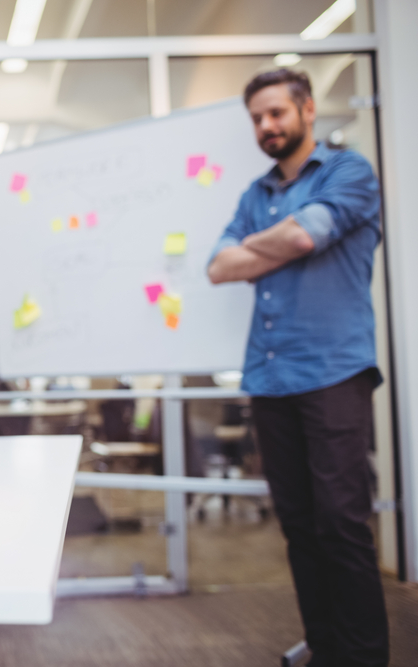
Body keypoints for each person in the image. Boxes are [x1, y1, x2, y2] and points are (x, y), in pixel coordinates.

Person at [207, 69, 387, 666]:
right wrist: (275, 239)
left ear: (308, 111)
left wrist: (256, 248)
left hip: (333, 372)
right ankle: (327, 649)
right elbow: (216, 267)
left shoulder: (348, 172)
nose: (266, 126)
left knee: (341, 526)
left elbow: (307, 239)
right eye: (257, 117)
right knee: (301, 529)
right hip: (269, 376)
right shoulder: (254, 194)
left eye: (277, 113)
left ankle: (363, 657)